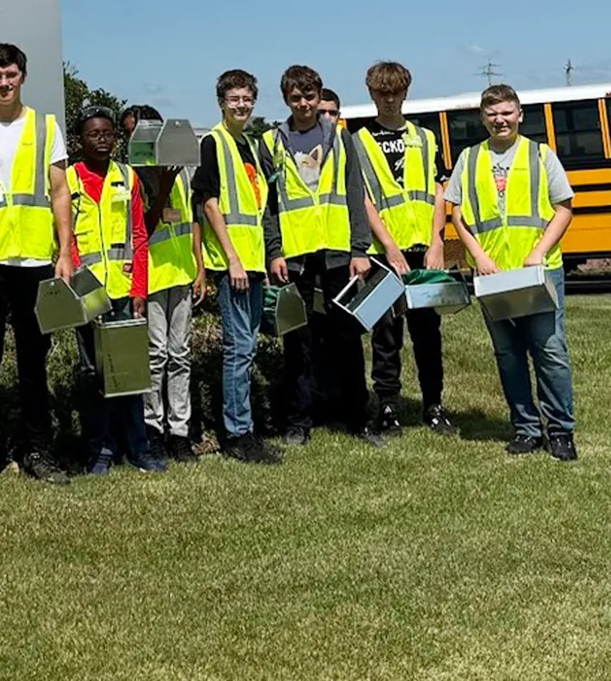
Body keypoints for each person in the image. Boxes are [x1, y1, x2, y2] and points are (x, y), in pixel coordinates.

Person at [0, 43, 75, 488]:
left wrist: (64, 251)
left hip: (35, 257)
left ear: (22, 76)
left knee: (33, 362)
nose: (3, 83)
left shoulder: (46, 127)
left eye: (10, 75)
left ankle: (38, 448)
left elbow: (60, 191)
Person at [445, 84, 577, 461]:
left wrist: (538, 251)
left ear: (519, 114)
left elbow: (564, 208)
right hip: (493, 274)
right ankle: (526, 429)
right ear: (482, 118)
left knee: (550, 351)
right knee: (508, 354)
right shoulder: (469, 159)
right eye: (492, 114)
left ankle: (560, 431)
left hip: (539, 271)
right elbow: (457, 214)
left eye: (506, 112)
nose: (499, 120)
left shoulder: (540, 154)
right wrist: (477, 256)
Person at [263, 65, 378, 447]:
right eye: (296, 98)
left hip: (338, 253)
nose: (304, 104)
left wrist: (360, 250)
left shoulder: (342, 139)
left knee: (348, 338)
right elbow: (269, 205)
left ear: (319, 95)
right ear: (286, 100)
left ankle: (358, 418)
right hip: (295, 257)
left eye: (310, 96)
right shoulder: (271, 142)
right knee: (299, 341)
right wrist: (274, 251)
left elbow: (356, 194)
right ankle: (299, 421)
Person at [354, 62, 455, 438]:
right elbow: (363, 199)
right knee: (386, 335)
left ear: (406, 92)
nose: (390, 99)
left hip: (423, 252)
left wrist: (437, 243)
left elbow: (439, 191)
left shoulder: (426, 138)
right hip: (383, 253)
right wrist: (390, 249)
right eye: (383, 92)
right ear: (372, 94)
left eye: (396, 91)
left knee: (428, 333)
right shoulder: (358, 140)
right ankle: (389, 408)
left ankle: (433, 406)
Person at [66, 108, 165, 475]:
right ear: (81, 140)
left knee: (129, 373)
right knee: (94, 375)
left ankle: (137, 448)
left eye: (108, 133)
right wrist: (80, 285)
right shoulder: (68, 180)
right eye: (94, 134)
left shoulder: (128, 177)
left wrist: (140, 288)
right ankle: (100, 449)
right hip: (87, 295)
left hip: (124, 290)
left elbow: (139, 236)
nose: (103, 139)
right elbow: (64, 238)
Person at [193, 70, 282, 464]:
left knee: (247, 349)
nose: (242, 105)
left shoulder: (250, 144)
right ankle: (236, 433)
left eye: (247, 99)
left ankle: (244, 427)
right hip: (234, 265)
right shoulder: (214, 142)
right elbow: (209, 203)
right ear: (221, 103)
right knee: (239, 348)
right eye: (234, 100)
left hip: (254, 260)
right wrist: (232, 260)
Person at [130, 106, 203, 463]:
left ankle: (180, 432)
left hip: (182, 273)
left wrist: (199, 267)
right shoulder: (135, 178)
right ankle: (152, 428)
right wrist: (163, 187)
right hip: (152, 277)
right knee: (155, 355)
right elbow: (146, 224)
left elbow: (192, 221)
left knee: (181, 355)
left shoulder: (183, 172)